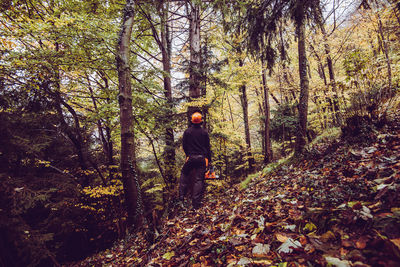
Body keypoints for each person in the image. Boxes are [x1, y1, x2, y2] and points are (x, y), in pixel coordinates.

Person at [178, 112, 211, 210]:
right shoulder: (204, 132)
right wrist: (208, 160)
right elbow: (208, 147)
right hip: (201, 159)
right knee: (199, 180)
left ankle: (181, 197)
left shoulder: (187, 132)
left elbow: (184, 145)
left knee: (184, 174)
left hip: (191, 158)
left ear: (192, 121)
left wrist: (188, 155)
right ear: (201, 121)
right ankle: (196, 204)